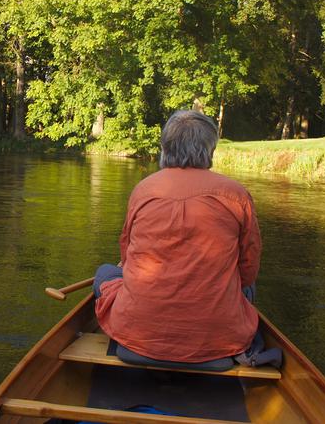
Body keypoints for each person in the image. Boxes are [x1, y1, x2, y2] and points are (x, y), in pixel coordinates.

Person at [93, 110, 262, 368]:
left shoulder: (144, 190)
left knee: (105, 273)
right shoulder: (236, 194)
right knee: (247, 286)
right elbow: (249, 268)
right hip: (218, 346)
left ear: (165, 147)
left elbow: (126, 258)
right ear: (210, 149)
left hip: (135, 339)